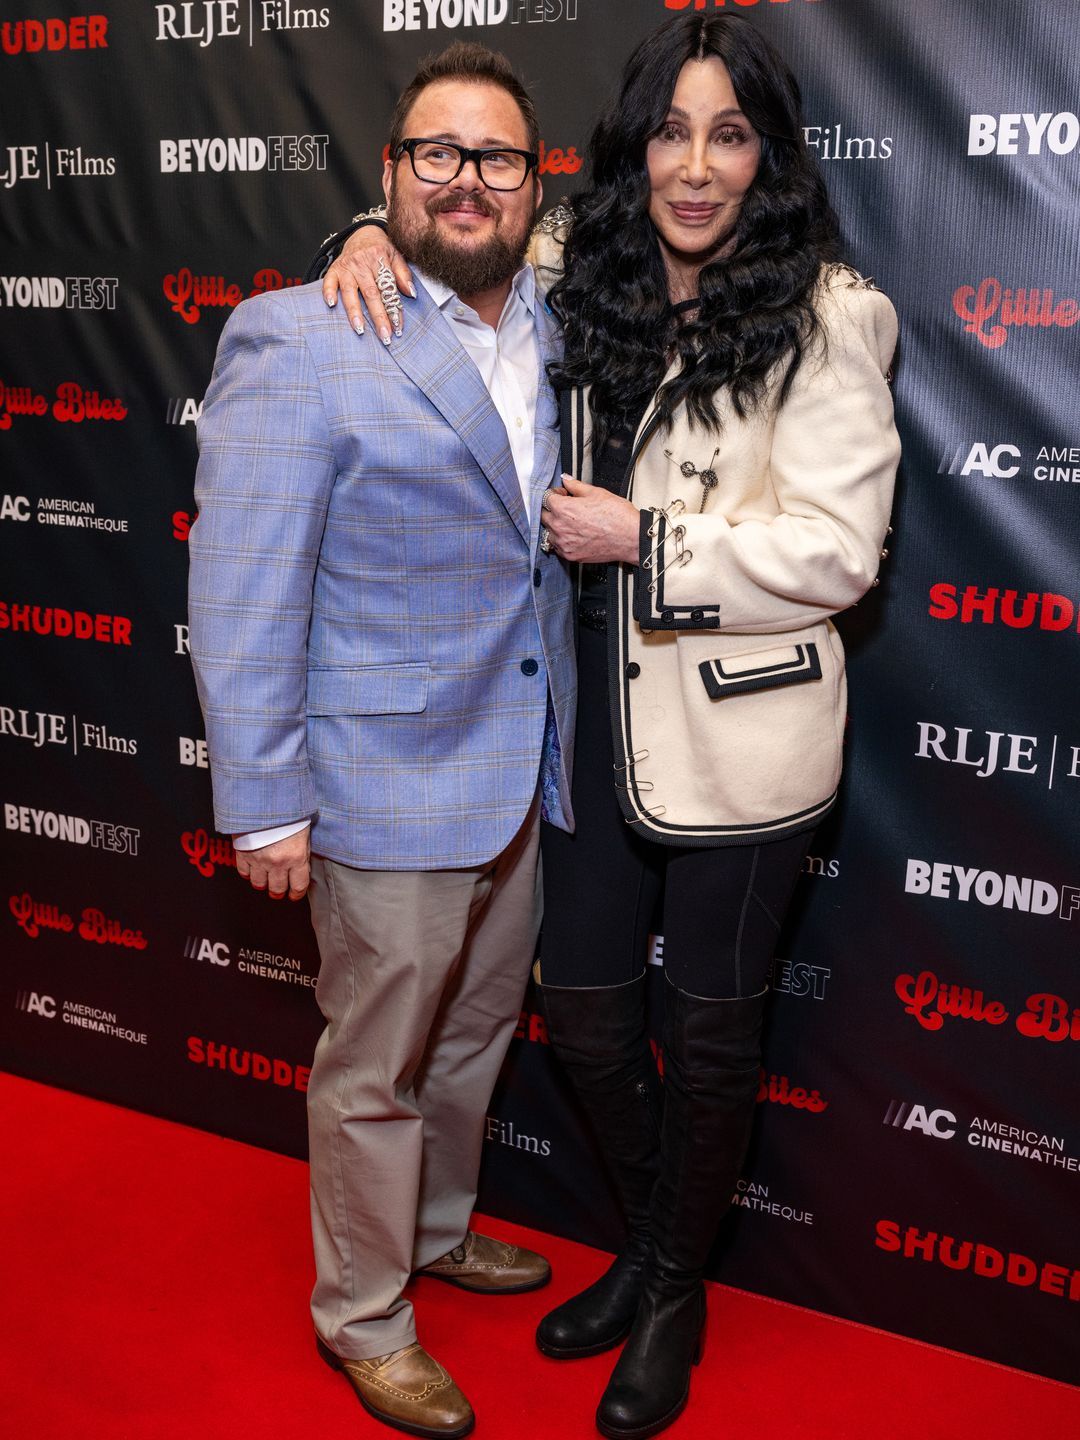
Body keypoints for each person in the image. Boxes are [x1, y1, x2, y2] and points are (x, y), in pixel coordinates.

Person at [318, 13, 900, 1438]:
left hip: (747, 749)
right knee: (580, 1013)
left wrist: (650, 535)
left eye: (731, 134)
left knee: (706, 1044)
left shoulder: (833, 313)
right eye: (671, 132)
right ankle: (654, 1244)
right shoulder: (586, 265)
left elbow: (840, 553)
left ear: (769, 155)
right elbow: (458, 207)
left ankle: (671, 1285)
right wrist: (363, 233)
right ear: (634, 145)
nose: (695, 168)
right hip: (583, 729)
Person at [188, 42, 578, 1440]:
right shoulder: (299, 337)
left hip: (516, 764)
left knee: (473, 1034)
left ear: (538, 184)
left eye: (497, 157)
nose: (467, 178)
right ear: (388, 173)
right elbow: (240, 584)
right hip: (377, 778)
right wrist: (266, 806)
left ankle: (434, 1228)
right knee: (377, 1063)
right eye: (436, 153)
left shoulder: (555, 313)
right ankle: (364, 1317)